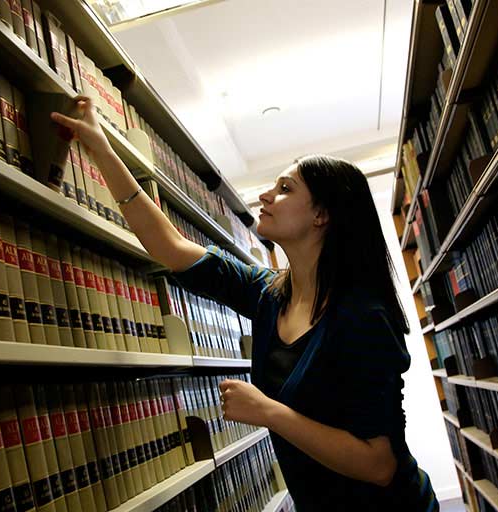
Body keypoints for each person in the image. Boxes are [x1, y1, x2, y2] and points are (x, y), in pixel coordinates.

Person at [51, 98, 438, 511]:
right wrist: (101, 149)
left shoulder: (363, 317)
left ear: (322, 215)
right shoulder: (269, 294)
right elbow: (171, 247)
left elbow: (379, 464)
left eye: (286, 188)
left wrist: (269, 412)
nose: (266, 195)